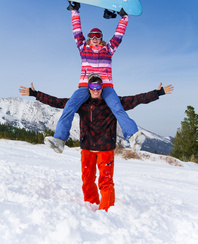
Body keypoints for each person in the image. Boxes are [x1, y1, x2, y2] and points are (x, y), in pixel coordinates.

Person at [19, 76, 174, 211]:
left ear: (102, 88)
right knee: (87, 179)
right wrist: (35, 94)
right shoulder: (82, 103)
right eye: (92, 86)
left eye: (98, 86)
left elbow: (137, 99)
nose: (95, 89)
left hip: (106, 148)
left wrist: (158, 92)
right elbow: (57, 102)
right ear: (88, 88)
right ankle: (90, 204)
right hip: (87, 147)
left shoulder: (113, 103)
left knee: (106, 181)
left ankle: (107, 210)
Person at [46, 2, 139, 152]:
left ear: (102, 38)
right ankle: (59, 140)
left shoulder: (108, 49)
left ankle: (133, 136)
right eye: (92, 36)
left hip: (106, 86)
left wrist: (124, 18)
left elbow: (118, 36)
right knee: (69, 107)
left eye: (98, 36)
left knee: (117, 109)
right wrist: (75, 11)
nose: (95, 38)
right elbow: (76, 31)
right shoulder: (83, 48)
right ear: (88, 38)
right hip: (85, 86)